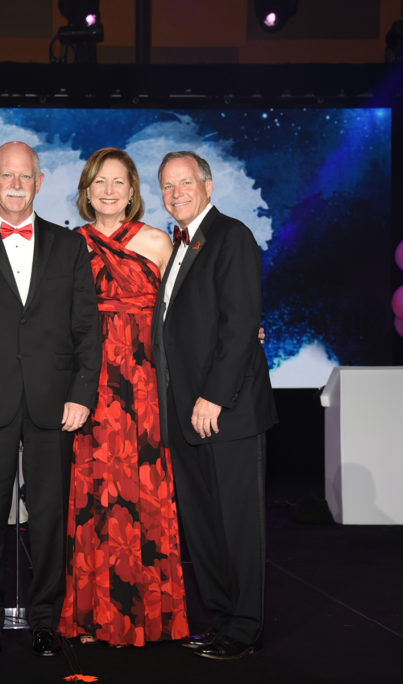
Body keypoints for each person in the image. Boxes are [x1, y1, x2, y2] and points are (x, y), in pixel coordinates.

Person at [0, 141, 101, 659]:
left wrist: (82, 393)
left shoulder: (69, 245)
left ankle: (46, 620)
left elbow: (86, 327)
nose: (15, 184)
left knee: (49, 518)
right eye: (6, 175)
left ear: (40, 181)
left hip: (55, 402)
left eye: (24, 175)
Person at [58, 148, 190, 647]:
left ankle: (151, 617)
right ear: (86, 191)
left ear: (133, 191)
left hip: (146, 384)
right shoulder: (70, 245)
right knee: (97, 493)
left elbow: (187, 310)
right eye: (100, 182)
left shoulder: (158, 241)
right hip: (92, 385)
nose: (109, 191)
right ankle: (94, 617)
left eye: (119, 182)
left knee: (145, 489)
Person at [151, 151, 278, 661]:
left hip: (226, 410)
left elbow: (241, 324)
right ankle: (222, 619)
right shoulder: (181, 245)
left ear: (207, 185)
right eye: (167, 186)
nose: (176, 193)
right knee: (203, 526)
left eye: (185, 182)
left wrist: (214, 397)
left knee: (238, 524)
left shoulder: (232, 236)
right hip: (184, 411)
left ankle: (245, 628)